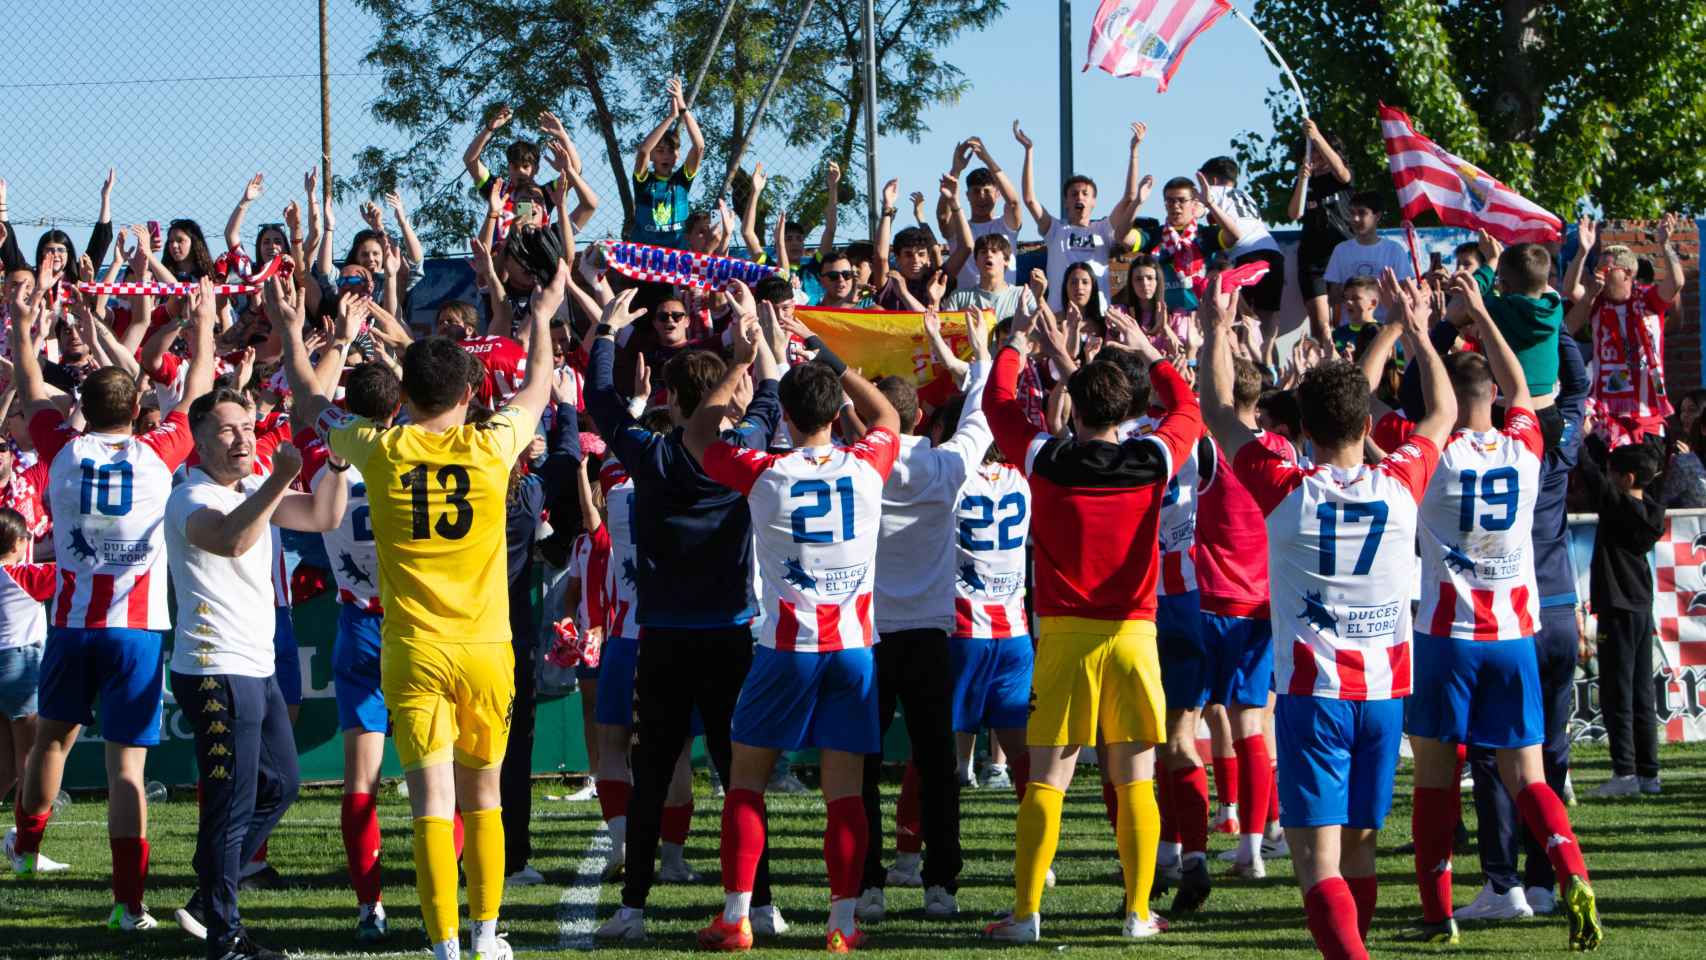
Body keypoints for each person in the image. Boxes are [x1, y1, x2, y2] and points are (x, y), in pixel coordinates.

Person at [275, 239, 565, 960]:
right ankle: (487, 934)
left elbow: (311, 402)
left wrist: (293, 331)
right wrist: (545, 316)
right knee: (485, 796)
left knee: (432, 802)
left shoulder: (381, 449)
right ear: (469, 395)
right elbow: (536, 388)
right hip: (487, 651)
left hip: (411, 653)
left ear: (402, 398)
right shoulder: (492, 445)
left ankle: (443, 945)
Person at [1202, 270, 1456, 960]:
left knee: (1317, 867)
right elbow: (1441, 416)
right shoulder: (1400, 481)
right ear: (1368, 425)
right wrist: (1418, 333)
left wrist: (1215, 330)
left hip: (1315, 698)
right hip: (1382, 696)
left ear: (1301, 430)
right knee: (1361, 854)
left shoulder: (1286, 487)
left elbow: (1218, 409)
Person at [982, 298, 1199, 942]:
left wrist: (1019, 343)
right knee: (1135, 777)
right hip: (1135, 636)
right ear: (1131, 411)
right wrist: (1149, 351)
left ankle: (1026, 914)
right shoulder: (1153, 459)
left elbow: (997, 405)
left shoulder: (1047, 459)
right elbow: (1188, 409)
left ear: (1073, 407)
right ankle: (1137, 914)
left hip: (1063, 636)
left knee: (1048, 779)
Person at [684, 312, 901, 953]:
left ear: (785, 418)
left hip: (786, 649)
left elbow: (698, 432)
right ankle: (840, 924)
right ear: (836, 410)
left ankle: (736, 916)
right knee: (845, 793)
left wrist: (740, 365)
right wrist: (831, 361)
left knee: (746, 781)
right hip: (854, 651)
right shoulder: (867, 466)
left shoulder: (765, 472)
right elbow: (888, 415)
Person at [8, 277, 216, 932]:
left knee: (51, 742)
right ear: (137, 409)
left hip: (71, 624)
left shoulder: (62, 449)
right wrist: (204, 323)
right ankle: (129, 906)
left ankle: (26, 851)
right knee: (128, 767)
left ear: (82, 408)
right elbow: (200, 386)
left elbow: (30, 384)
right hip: (136, 631)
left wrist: (22, 322)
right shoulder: (158, 454)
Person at [1401, 276, 1600, 950]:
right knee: (1529, 774)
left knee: (1435, 778)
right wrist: (1483, 316)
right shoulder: (1524, 448)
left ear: (1448, 401)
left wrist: (1415, 327)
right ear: (1490, 399)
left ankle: (1439, 913)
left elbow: (1381, 404)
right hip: (1515, 635)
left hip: (1447, 637)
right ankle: (1571, 869)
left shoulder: (1435, 453)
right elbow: (1522, 391)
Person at [587, 283, 786, 942]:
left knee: (651, 776)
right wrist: (751, 341)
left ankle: (633, 908)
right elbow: (768, 398)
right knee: (741, 776)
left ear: (673, 399)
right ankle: (761, 905)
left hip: (666, 639)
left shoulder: (653, 454)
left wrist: (610, 331)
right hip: (732, 637)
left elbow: (602, 403)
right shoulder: (744, 450)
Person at [165, 386, 345, 960]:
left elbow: (323, 514)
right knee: (231, 802)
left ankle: (207, 896)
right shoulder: (190, 496)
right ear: (198, 439)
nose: (243, 437)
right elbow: (232, 538)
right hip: (215, 668)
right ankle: (226, 936)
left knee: (282, 784)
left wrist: (335, 461)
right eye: (227, 429)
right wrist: (274, 480)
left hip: (255, 664)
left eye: (247, 426)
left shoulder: (248, 487)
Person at [850, 307, 993, 923]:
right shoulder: (944, 465)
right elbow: (982, 413)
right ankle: (941, 887)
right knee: (937, 764)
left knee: (861, 763)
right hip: (931, 636)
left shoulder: (860, 467)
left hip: (871, 636)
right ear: (918, 419)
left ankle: (869, 885)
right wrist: (977, 353)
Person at [1461, 334, 1591, 923]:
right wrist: (1549, 322)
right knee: (1550, 752)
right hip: (1559, 606)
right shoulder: (1551, 446)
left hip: (1509, 615)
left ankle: (1504, 881)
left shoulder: (1477, 450)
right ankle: (1546, 879)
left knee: (1493, 755)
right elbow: (1580, 388)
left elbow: (1418, 403)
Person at [294, 361, 400, 943]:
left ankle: (370, 907)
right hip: (412, 624)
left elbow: (307, 403)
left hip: (358, 618)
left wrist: (302, 339)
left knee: (361, 781)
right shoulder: (412, 453)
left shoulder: (326, 457)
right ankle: (457, 890)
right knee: (444, 774)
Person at [1193, 354, 1294, 880]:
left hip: (1213, 604)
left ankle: (1183, 846)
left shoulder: (1209, 448)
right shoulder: (1283, 450)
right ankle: (1257, 842)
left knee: (1188, 727)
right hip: (1264, 606)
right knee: (1255, 726)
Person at [1578, 436, 1666, 799]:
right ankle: (1649, 773)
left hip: (1617, 608)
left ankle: (1625, 771)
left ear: (1628, 479)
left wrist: (1578, 437)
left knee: (1617, 693)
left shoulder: (1617, 506)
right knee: (1643, 693)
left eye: (1615, 473)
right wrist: (1597, 440)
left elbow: (1589, 473)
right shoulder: (1651, 510)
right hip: (1641, 607)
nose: (1608, 477)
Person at [1563, 214, 1687, 448]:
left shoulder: (1649, 299)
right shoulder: (1596, 301)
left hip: (1647, 413)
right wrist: (1582, 251)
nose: (1600, 274)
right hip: (1606, 415)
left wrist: (1665, 244)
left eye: (1606, 269)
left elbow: (1677, 282)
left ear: (1628, 274)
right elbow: (1570, 289)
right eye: (1598, 268)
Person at [1014, 120, 1145, 309]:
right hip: (1060, 317)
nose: (1079, 198)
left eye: (1085, 194)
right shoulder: (1055, 230)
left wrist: (1134, 151)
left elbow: (1129, 198)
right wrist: (1029, 151)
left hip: (1096, 319)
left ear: (1094, 201)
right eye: (1073, 194)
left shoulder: (1103, 228)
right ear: (1065, 201)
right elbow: (1029, 199)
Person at [0, 507, 56, 871]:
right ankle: (25, 850)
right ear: (20, 543)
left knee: (4, 765)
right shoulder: (22, 575)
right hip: (19, 666)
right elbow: (72, 572)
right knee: (29, 762)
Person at [1198, 156, 1286, 347]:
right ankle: (1268, 360)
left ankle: (1243, 357)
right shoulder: (1246, 196)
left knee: (1239, 313)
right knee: (1268, 315)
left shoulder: (1213, 191)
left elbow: (1194, 210)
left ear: (1211, 180)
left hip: (1246, 254)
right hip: (1273, 252)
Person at [1287, 121, 1355, 345]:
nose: (1316, 156)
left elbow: (1342, 173)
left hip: (1341, 255)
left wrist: (1316, 136)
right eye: (1311, 152)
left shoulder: (1340, 177)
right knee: (1321, 325)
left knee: (1344, 320)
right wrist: (1303, 179)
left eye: (1319, 151)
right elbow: (1294, 213)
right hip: (1312, 260)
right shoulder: (1305, 182)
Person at [631, 77, 706, 248]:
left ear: (677, 156)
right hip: (646, 256)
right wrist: (671, 117)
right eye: (660, 151)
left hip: (676, 257)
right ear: (652, 156)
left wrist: (682, 108)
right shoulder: (643, 181)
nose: (666, 156)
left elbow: (699, 146)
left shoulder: (682, 181)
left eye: (671, 151)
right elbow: (643, 151)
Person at [946, 137, 1024, 290]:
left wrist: (987, 158)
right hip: (966, 305)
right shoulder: (959, 228)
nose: (981, 197)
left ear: (998, 194)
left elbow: (1014, 203)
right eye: (976, 191)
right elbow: (943, 217)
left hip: (1003, 308)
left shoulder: (1005, 225)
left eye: (987, 191)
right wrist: (956, 170)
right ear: (967, 195)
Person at [1323, 192, 1414, 322]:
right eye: (1352, 213)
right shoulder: (1341, 250)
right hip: (1350, 330)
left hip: (1386, 328)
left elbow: (1406, 295)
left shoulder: (1394, 250)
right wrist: (1354, 296)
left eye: (1362, 213)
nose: (1355, 219)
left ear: (1377, 216)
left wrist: (1382, 295)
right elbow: (1333, 298)